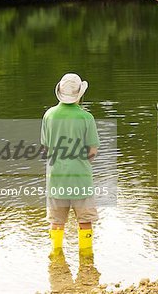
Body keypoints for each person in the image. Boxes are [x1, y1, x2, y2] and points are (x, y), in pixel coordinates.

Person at [41, 73, 100, 257]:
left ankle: (56, 257)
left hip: (56, 178)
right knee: (85, 221)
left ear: (59, 91)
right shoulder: (86, 117)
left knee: (57, 222)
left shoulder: (49, 115)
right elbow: (92, 151)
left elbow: (45, 149)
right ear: (79, 94)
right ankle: (86, 259)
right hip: (80, 178)